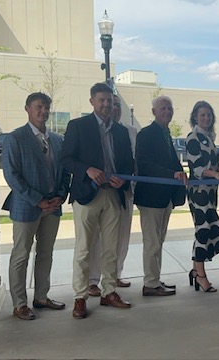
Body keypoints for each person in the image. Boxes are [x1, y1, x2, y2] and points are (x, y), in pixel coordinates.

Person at [61, 83, 135, 319]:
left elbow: (128, 163)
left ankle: (109, 291)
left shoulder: (121, 132)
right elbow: (66, 159)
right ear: (92, 101)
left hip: (114, 195)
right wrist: (87, 170)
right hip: (87, 195)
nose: (106, 104)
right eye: (101, 100)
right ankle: (80, 297)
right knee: (84, 249)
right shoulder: (78, 126)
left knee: (111, 248)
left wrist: (123, 180)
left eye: (110, 101)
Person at [2, 92, 71, 320]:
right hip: (26, 206)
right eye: (38, 107)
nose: (43, 111)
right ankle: (19, 303)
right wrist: (37, 199)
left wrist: (61, 195)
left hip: (53, 206)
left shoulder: (58, 140)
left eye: (46, 107)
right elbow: (12, 175)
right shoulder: (15, 138)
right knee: (21, 254)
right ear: (27, 109)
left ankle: (41, 297)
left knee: (46, 253)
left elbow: (64, 172)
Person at [134, 95, 185, 297]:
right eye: (163, 108)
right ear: (154, 111)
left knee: (159, 241)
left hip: (166, 198)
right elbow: (145, 163)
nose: (167, 112)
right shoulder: (146, 134)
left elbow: (172, 162)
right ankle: (150, 283)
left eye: (169, 108)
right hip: (151, 198)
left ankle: (154, 279)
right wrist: (171, 174)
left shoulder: (166, 134)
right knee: (152, 242)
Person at [87, 94, 138, 297]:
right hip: (96, 192)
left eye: (116, 105)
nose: (113, 107)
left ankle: (115, 274)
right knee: (96, 239)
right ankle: (92, 280)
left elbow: (134, 161)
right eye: (109, 103)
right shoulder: (90, 128)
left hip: (124, 191)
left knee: (122, 235)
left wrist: (126, 179)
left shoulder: (130, 131)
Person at [185, 101, 219, 292]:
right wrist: (216, 175)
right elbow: (197, 168)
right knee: (203, 231)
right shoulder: (193, 137)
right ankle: (201, 275)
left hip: (210, 193)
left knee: (204, 231)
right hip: (199, 194)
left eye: (209, 115)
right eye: (202, 115)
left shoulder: (209, 138)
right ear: (195, 117)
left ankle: (196, 271)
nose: (206, 118)